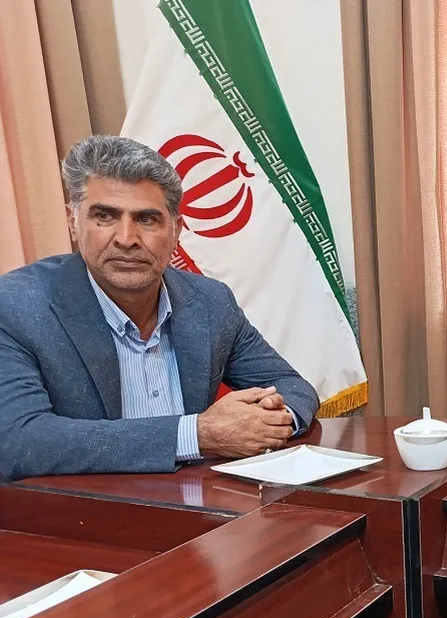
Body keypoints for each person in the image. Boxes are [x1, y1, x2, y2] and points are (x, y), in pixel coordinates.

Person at [0, 135, 319, 480]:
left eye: (147, 219)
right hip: (83, 511)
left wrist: (269, 418)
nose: (126, 239)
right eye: (105, 216)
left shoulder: (210, 301)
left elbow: (290, 385)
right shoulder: (17, 307)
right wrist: (198, 434)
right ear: (73, 223)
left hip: (202, 502)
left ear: (176, 229)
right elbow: (18, 441)